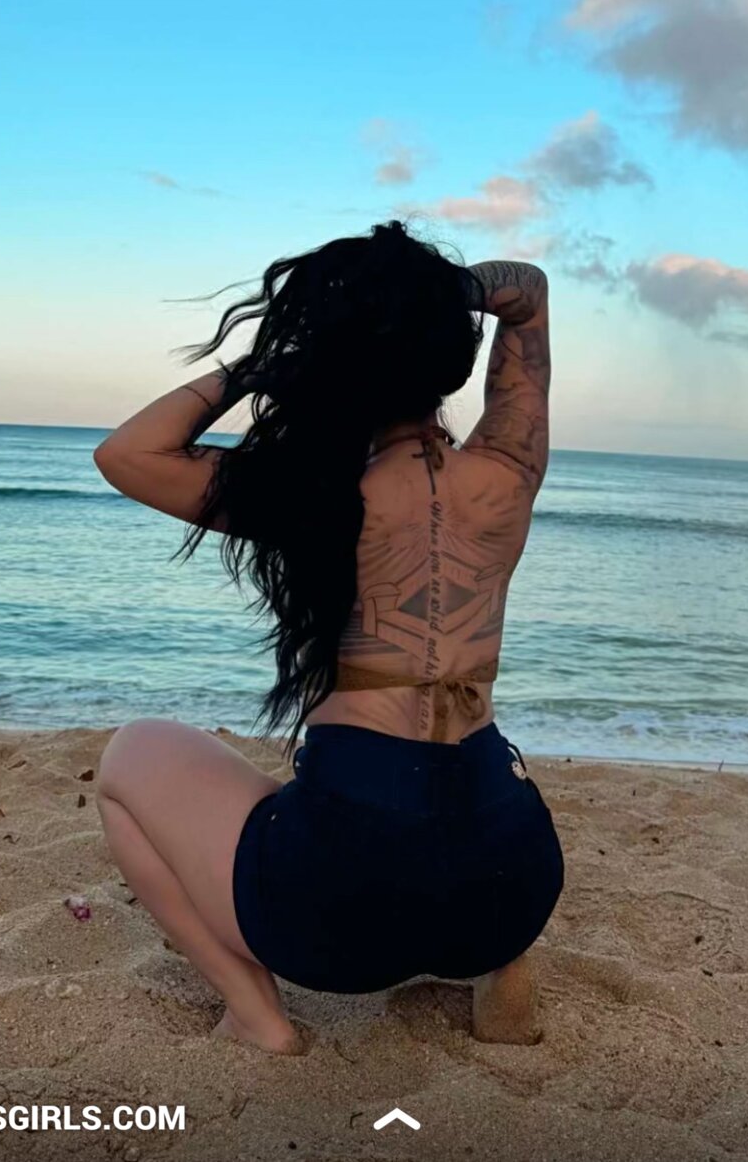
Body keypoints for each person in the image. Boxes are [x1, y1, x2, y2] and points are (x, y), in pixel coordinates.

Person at [92, 221, 563, 1052]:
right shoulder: (510, 473)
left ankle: (257, 1018)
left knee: (131, 757)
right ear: (444, 356)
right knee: (474, 796)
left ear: (336, 363)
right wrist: (438, 296)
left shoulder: (309, 498)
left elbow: (126, 453)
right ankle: (500, 965)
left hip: (342, 908)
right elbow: (527, 290)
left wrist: (268, 363)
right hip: (513, 888)